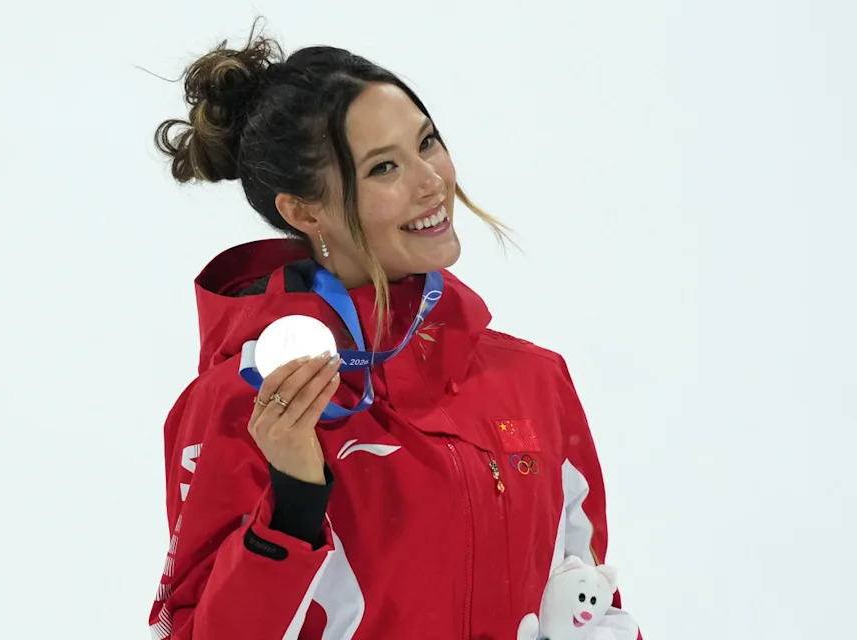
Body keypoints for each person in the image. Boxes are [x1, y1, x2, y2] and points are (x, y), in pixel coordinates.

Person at [147, 21, 642, 640]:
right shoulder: (250, 400)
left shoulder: (534, 380)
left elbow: (588, 608)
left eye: (427, 143)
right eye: (384, 167)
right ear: (303, 210)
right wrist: (294, 503)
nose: (432, 181)